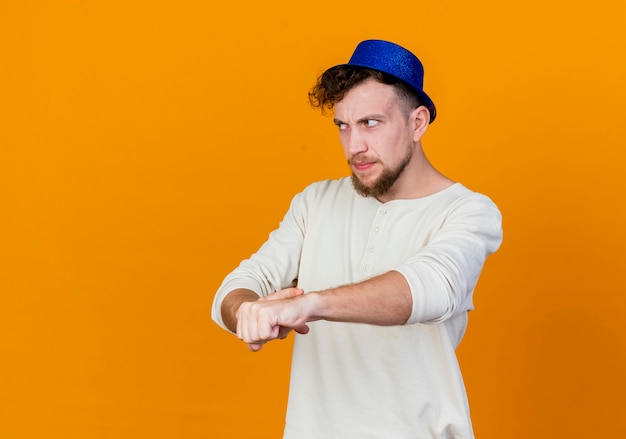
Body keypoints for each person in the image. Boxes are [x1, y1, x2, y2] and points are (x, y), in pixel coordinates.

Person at [211, 39, 503, 439]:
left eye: (371, 123)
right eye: (343, 126)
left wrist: (309, 305)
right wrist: (247, 312)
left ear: (417, 123)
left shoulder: (468, 211)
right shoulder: (315, 203)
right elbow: (238, 286)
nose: (355, 146)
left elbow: (431, 289)